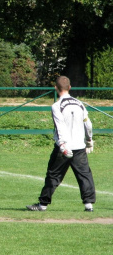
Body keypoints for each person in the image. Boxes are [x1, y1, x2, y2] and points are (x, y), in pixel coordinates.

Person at [27, 76, 95, 212]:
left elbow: (60, 126)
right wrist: (89, 140)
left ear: (55, 88)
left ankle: (42, 205)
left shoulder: (56, 106)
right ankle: (89, 205)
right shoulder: (80, 104)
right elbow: (88, 124)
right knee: (84, 175)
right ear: (70, 87)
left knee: (53, 174)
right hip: (79, 147)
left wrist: (63, 145)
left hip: (64, 147)